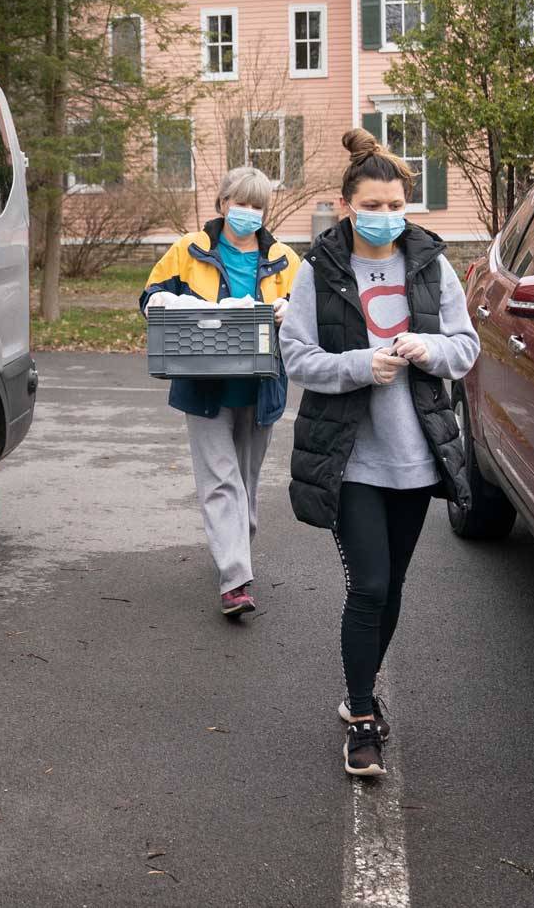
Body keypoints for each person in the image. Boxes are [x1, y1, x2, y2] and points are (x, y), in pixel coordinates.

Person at [279, 128, 481, 777]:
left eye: (397, 205)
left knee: (391, 586)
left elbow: (466, 344)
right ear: (347, 206)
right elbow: (298, 356)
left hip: (417, 459)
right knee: (367, 585)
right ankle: (363, 715)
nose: (386, 216)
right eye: (373, 204)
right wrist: (363, 365)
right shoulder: (320, 268)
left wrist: (431, 351)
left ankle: (358, 691)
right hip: (351, 460)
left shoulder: (430, 262)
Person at [139, 166, 299, 617]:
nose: (247, 212)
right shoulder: (188, 250)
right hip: (203, 386)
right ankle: (235, 580)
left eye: (257, 205)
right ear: (223, 202)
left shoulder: (286, 259)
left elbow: (310, 312)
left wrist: (291, 311)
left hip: (261, 388)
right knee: (220, 482)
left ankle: (235, 551)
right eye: (240, 202)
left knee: (245, 482)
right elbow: (150, 297)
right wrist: (159, 305)